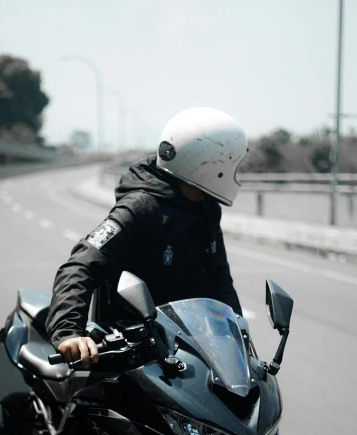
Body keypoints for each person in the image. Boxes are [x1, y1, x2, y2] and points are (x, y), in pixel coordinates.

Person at [46, 106, 249, 367]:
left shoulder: (207, 209)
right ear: (210, 164)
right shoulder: (140, 208)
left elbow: (220, 279)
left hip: (190, 352)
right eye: (234, 164)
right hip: (131, 354)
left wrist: (239, 341)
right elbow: (82, 265)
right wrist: (69, 331)